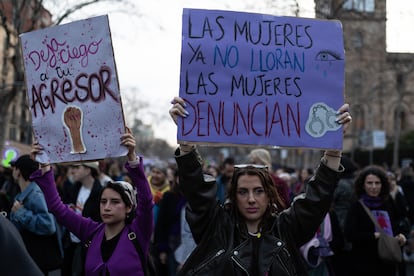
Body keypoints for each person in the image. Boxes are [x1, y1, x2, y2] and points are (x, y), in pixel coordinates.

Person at [169, 97, 352, 275]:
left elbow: (315, 200)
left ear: (269, 194)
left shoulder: (285, 229)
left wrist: (333, 154)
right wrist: (186, 147)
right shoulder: (216, 227)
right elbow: (196, 190)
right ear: (233, 195)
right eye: (242, 192)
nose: (251, 199)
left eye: (258, 191)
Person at [31, 128, 154, 275]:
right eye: (103, 202)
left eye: (115, 202)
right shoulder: (91, 231)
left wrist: (132, 157)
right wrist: (44, 165)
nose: (107, 207)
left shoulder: (139, 232)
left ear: (128, 207)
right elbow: (57, 208)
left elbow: (146, 201)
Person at [344, 165, 407, 276]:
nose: (374, 187)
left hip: (387, 262)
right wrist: (374, 236)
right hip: (363, 263)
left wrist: (400, 236)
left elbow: (396, 224)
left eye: (377, 183)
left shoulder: (388, 202)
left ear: (382, 185)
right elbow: (349, 234)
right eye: (369, 183)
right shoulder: (356, 206)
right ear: (363, 185)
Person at [9, 154, 62, 275]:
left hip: (38, 260)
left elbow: (49, 225)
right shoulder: (24, 193)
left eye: (14, 168)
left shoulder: (35, 194)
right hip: (31, 257)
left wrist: (21, 213)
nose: (12, 171)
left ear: (19, 172)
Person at [63, 160, 103, 275]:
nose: (72, 171)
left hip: (87, 247)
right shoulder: (75, 188)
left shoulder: (100, 193)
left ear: (88, 170)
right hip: (70, 242)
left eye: (77, 167)